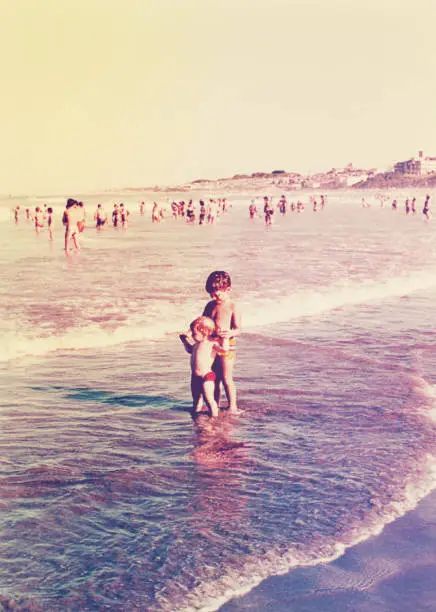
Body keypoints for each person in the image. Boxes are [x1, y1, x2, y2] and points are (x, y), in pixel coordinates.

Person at [202, 271, 241, 412]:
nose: (214, 297)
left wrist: (230, 333)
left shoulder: (232, 306)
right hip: (212, 345)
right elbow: (203, 322)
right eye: (211, 294)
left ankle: (233, 406)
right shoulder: (210, 305)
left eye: (217, 294)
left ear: (228, 290)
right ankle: (215, 405)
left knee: (226, 377)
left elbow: (238, 329)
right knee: (214, 378)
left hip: (227, 345)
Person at [180, 316, 220, 418]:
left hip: (207, 376)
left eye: (194, 334)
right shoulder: (196, 345)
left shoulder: (212, 344)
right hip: (195, 376)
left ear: (205, 332)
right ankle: (196, 414)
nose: (193, 336)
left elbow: (223, 350)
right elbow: (189, 350)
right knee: (196, 398)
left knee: (209, 399)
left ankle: (214, 417)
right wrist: (185, 341)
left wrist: (225, 340)